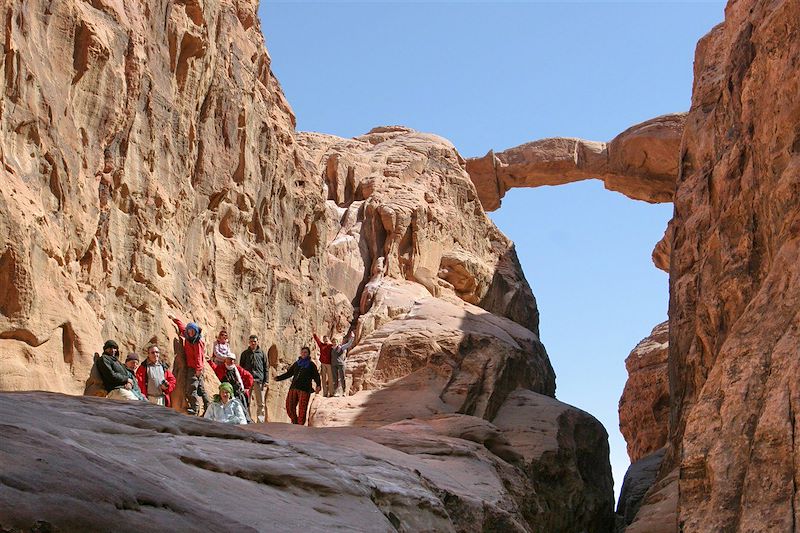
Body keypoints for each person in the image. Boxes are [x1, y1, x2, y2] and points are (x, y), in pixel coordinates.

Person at [169, 314, 209, 415]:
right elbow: (182, 327)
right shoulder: (188, 336)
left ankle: (195, 408)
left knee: (190, 389)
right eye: (189, 331)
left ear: (196, 332)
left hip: (195, 368)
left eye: (192, 331)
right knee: (200, 388)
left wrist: (198, 370)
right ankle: (208, 405)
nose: (190, 333)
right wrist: (174, 319)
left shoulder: (197, 341)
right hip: (194, 367)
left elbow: (199, 356)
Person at [275, 346, 321, 425]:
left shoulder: (311, 365)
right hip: (294, 387)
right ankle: (295, 422)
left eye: (305, 352)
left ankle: (300, 426)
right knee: (289, 407)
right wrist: (278, 378)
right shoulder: (297, 363)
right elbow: (289, 373)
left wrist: (318, 385)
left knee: (302, 410)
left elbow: (316, 376)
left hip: (304, 389)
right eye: (302, 352)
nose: (303, 354)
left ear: (308, 354)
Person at [209, 353, 254, 423]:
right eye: (229, 359)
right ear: (225, 360)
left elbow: (249, 376)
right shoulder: (221, 368)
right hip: (225, 393)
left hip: (237, 393)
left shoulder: (238, 369)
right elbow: (215, 369)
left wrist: (246, 388)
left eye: (232, 360)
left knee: (241, 409)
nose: (231, 361)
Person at [240, 335, 269, 422]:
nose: (253, 343)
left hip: (259, 381)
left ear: (257, 342)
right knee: (246, 401)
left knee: (261, 403)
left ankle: (260, 421)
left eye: (254, 341)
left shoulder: (262, 353)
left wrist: (266, 380)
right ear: (249, 342)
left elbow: (266, 367)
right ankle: (247, 420)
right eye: (251, 341)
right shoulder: (245, 353)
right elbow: (241, 368)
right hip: (248, 381)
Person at [331, 332, 355, 397]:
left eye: (335, 342)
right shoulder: (331, 348)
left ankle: (344, 391)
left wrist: (352, 337)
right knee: (335, 378)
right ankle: (336, 392)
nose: (334, 343)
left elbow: (349, 344)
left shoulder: (341, 347)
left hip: (341, 364)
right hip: (333, 365)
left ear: (337, 342)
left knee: (342, 377)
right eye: (333, 342)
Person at [312, 333, 334, 397]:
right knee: (323, 379)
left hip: (329, 364)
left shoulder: (330, 346)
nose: (325, 340)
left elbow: (337, 348)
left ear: (328, 339)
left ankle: (331, 393)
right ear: (323, 340)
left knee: (330, 379)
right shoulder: (321, 345)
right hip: (323, 364)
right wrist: (314, 334)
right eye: (324, 339)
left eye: (326, 339)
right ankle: (325, 393)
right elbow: (317, 340)